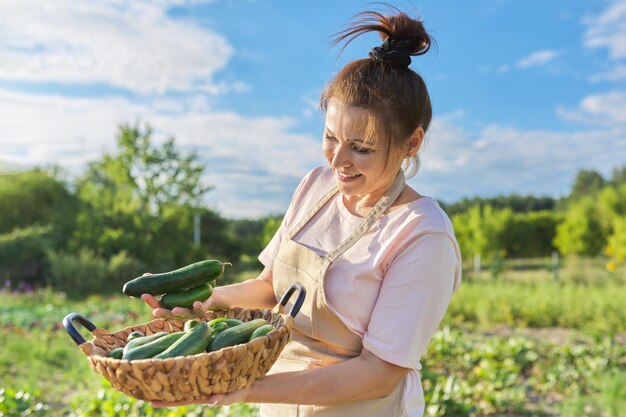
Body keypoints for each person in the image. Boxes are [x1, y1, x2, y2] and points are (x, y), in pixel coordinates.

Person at [142, 5, 462, 417]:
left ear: (412, 143)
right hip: (278, 404)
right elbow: (272, 285)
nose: (338, 161)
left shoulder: (422, 235)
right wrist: (209, 301)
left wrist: (244, 388)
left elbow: (380, 371)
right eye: (331, 138)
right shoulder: (316, 186)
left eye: (361, 148)